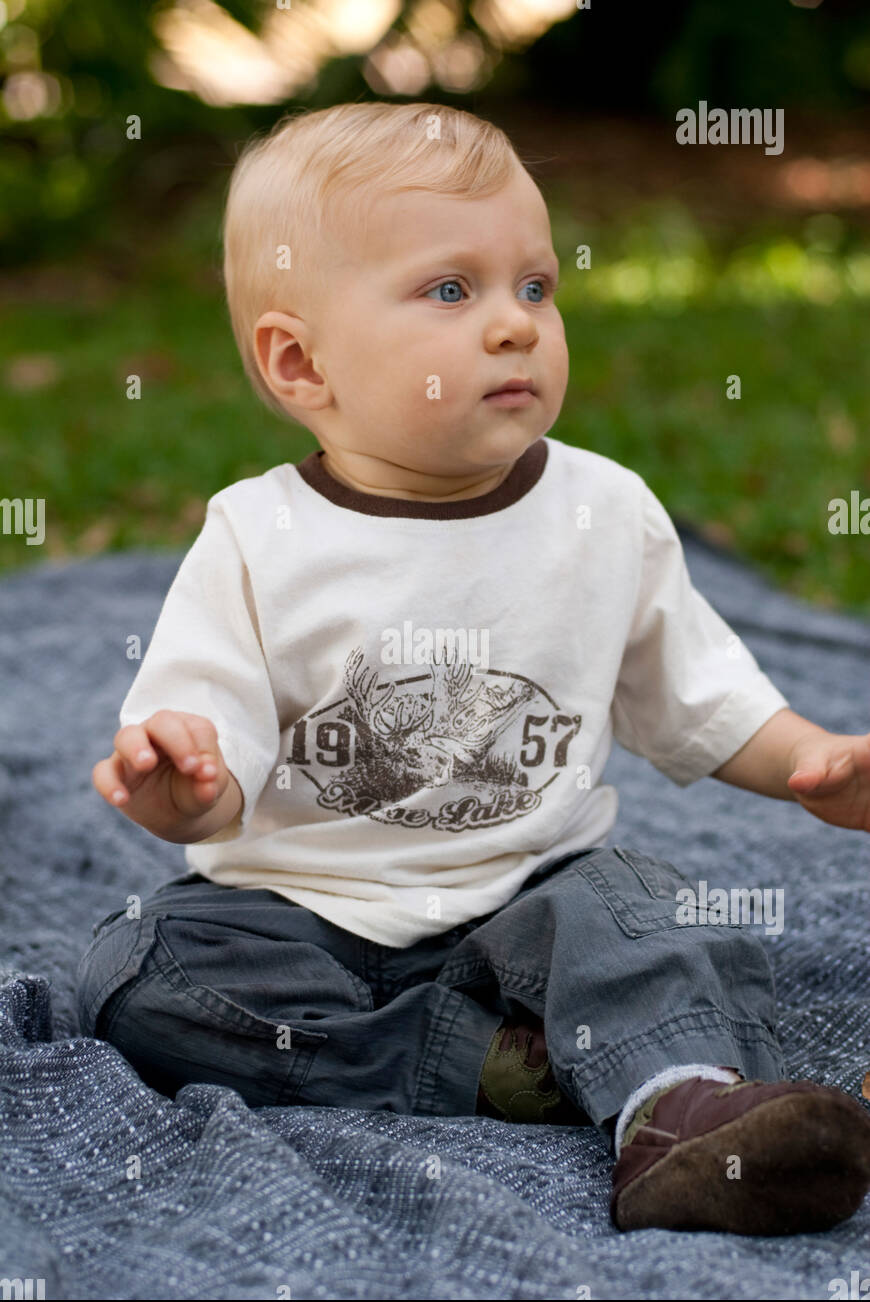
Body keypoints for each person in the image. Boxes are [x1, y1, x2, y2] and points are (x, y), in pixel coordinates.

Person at [79, 102, 870, 1236]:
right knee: (136, 973)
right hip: (306, 915)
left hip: (535, 893)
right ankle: (507, 1069)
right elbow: (205, 715)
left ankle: (678, 1116)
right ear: (301, 361)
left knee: (643, 911)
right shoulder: (260, 537)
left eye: (536, 288)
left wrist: (817, 759)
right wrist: (185, 780)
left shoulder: (603, 512)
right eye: (452, 291)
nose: (514, 325)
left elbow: (700, 697)